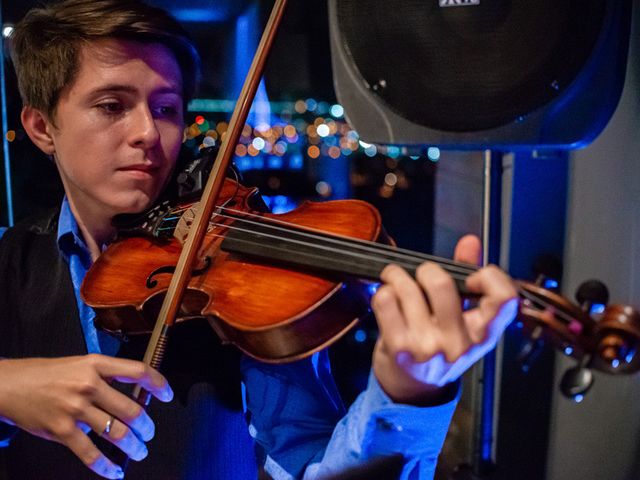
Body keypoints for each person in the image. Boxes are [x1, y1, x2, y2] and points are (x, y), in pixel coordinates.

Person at [0, 1, 518, 479]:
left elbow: (310, 464)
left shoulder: (247, 292)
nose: (147, 134)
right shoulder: (8, 262)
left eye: (166, 109)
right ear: (42, 127)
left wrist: (405, 395)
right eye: (112, 105)